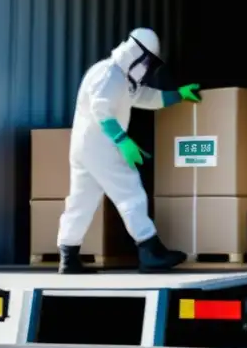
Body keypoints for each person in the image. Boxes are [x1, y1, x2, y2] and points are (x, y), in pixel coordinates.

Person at [57, 28, 202, 274]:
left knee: (81, 203)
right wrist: (122, 139)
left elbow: (144, 97)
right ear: (137, 54)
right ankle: (149, 250)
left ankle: (68, 257)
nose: (147, 68)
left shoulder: (120, 77)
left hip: (86, 147)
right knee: (130, 191)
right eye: (148, 62)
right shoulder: (109, 73)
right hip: (100, 144)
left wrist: (177, 96)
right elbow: (100, 108)